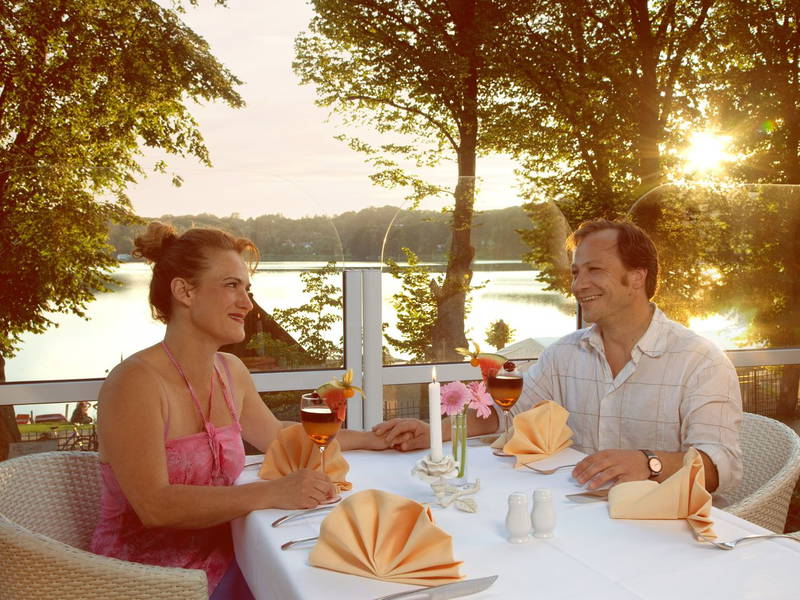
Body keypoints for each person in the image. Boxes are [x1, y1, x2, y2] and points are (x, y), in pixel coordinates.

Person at [91, 222, 389, 599]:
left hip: (231, 556)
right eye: (232, 285)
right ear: (184, 291)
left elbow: (278, 436)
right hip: (151, 582)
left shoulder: (230, 371)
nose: (247, 304)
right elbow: (156, 505)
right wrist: (273, 492)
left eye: (247, 289)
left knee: (356, 570)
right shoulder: (136, 383)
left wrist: (376, 439)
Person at [374, 218, 742, 498]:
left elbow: (720, 467)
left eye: (594, 270)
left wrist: (648, 463)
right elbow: (509, 417)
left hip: (665, 528)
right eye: (576, 272)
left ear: (637, 277)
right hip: (579, 513)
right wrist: (432, 433)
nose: (578, 285)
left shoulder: (701, 361)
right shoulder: (564, 355)